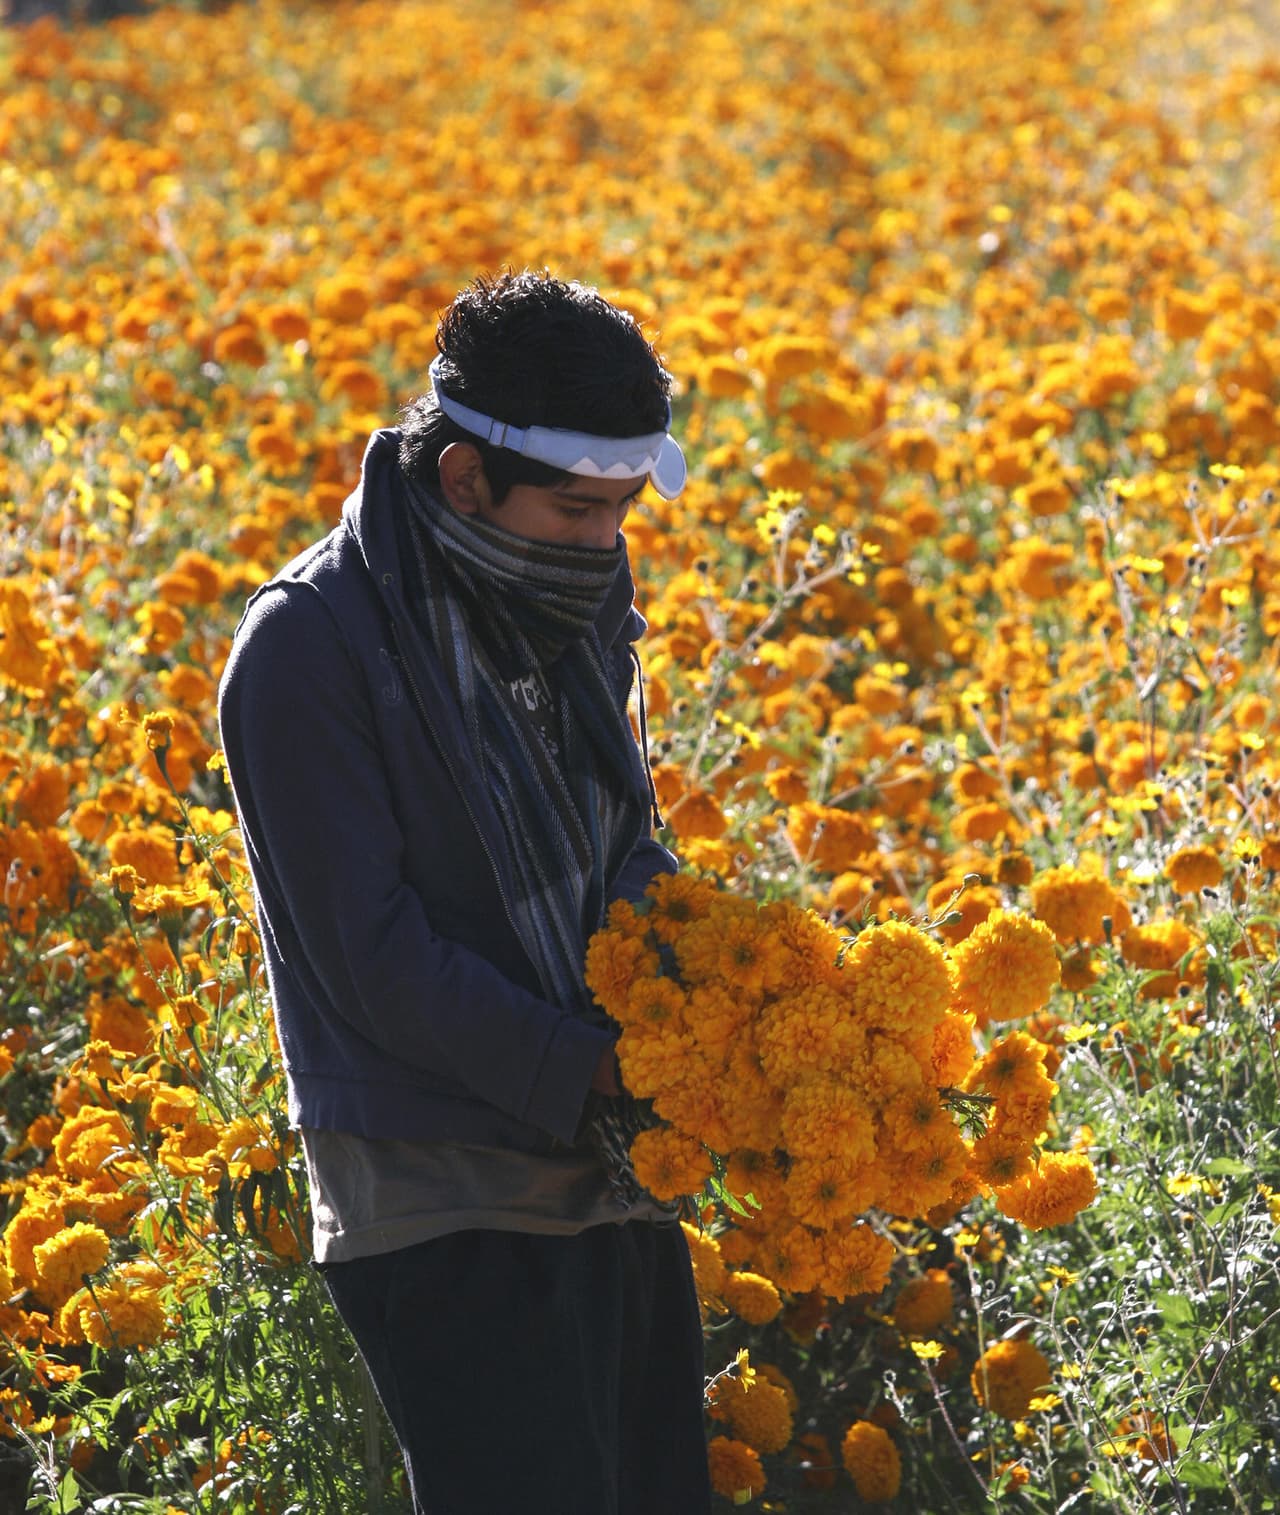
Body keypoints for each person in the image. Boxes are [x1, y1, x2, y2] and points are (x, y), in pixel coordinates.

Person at [217, 270, 712, 1515]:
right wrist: (597, 1061)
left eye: (617, 511)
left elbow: (621, 839)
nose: (601, 541)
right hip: (434, 1177)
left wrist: (708, 981)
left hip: (605, 1157)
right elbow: (370, 959)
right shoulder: (308, 646)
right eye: (572, 509)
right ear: (460, 478)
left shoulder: (575, 596)